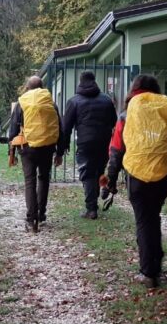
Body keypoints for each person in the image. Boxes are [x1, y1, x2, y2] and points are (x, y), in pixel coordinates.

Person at [104, 74, 167, 288]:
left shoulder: (126, 114)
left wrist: (111, 179)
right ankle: (155, 261)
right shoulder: (166, 112)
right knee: (153, 216)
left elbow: (116, 150)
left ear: (134, 90)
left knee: (144, 220)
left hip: (136, 176)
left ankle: (149, 272)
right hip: (162, 176)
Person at [58, 71, 118, 219]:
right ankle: (99, 194)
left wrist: (61, 149)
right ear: (94, 80)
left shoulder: (74, 101)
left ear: (80, 82)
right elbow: (114, 122)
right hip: (104, 141)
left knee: (87, 173)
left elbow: (66, 128)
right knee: (98, 170)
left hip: (85, 142)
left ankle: (91, 209)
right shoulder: (106, 100)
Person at [7, 76, 61, 233]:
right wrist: (60, 150)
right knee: (44, 178)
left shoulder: (21, 103)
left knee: (30, 181)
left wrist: (11, 150)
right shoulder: (50, 102)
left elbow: (13, 128)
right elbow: (60, 126)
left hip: (27, 146)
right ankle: (41, 213)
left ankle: (31, 220)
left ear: (27, 88)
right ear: (42, 87)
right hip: (48, 145)